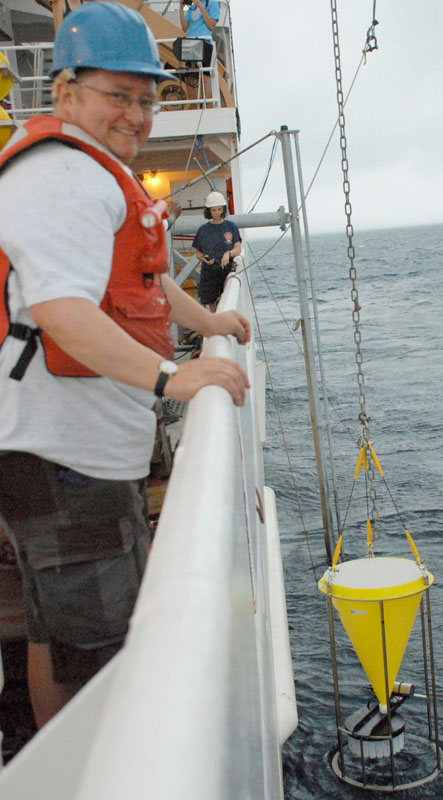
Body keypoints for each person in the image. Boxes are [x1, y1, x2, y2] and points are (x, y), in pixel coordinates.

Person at [0, 2, 250, 728]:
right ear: (67, 92)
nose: (137, 116)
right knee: (100, 657)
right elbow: (61, 312)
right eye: (119, 95)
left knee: (59, 635)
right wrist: (175, 377)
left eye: (146, 100)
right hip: (63, 460)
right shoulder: (64, 176)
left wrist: (209, 324)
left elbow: (143, 281)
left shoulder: (91, 174)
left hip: (60, 457)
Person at [193, 190, 242, 312]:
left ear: (223, 209)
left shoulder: (231, 227)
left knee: (226, 300)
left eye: (219, 210)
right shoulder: (203, 230)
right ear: (209, 211)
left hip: (226, 270)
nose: (216, 213)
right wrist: (203, 258)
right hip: (209, 272)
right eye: (214, 210)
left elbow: (238, 248)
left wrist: (228, 254)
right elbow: (198, 252)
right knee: (212, 304)